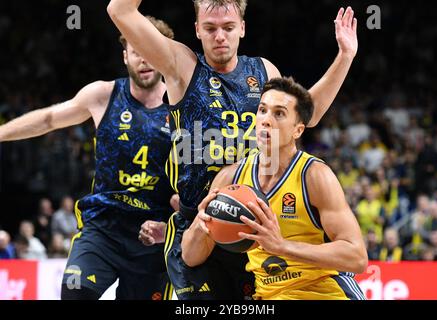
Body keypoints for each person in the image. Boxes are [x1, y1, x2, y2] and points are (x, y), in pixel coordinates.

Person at [109, 0, 358, 299]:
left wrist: (345, 56)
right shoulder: (181, 65)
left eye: (228, 28)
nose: (219, 36)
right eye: (210, 28)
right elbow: (120, 11)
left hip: (250, 227)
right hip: (199, 221)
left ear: (242, 28)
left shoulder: (263, 70)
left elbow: (306, 114)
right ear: (197, 30)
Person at [0, 16, 176, 300]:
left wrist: (173, 223)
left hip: (153, 236)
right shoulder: (103, 95)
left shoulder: (183, 107)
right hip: (102, 229)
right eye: (136, 51)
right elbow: (48, 119)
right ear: (125, 56)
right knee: (73, 294)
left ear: (164, 52)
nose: (144, 59)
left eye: (150, 50)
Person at [183, 77, 368, 300]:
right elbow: (191, 257)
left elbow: (356, 257)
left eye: (279, 113)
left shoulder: (314, 175)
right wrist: (201, 224)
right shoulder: (230, 178)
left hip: (325, 292)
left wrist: (282, 246)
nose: (266, 120)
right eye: (262, 110)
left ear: (297, 130)